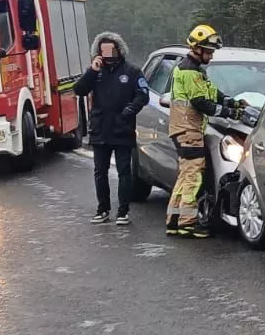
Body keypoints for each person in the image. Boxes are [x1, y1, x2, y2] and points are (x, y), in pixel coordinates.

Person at [166, 23, 244, 237]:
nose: (211, 56)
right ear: (196, 48)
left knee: (185, 177)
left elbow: (211, 92)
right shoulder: (190, 71)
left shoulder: (194, 70)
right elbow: (201, 102)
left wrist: (231, 102)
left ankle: (174, 220)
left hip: (183, 129)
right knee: (194, 178)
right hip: (188, 131)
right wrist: (229, 113)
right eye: (208, 51)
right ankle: (187, 223)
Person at [73, 31, 149, 225]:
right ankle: (103, 209)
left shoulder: (132, 71)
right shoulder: (96, 72)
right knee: (100, 171)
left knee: (124, 171)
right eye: (103, 50)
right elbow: (79, 90)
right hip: (100, 129)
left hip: (122, 129)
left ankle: (123, 211)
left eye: (110, 49)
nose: (107, 53)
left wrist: (130, 110)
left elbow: (143, 95)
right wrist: (92, 71)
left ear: (119, 49)